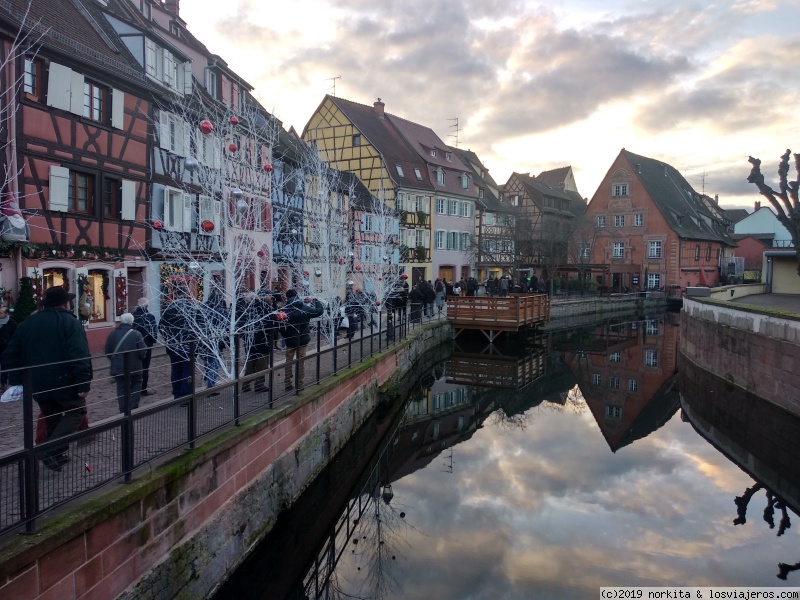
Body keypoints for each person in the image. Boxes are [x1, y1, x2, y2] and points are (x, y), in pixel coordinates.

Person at [2, 286, 93, 471]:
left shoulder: (27, 323)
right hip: (65, 379)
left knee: (52, 417)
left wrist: (19, 378)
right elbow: (79, 353)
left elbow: (10, 355)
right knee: (75, 412)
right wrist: (84, 381)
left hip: (38, 382)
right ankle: (49, 450)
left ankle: (57, 456)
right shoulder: (69, 322)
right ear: (65, 303)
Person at [280, 289, 323, 392]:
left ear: (287, 297)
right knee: (300, 361)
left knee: (289, 361)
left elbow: (280, 326)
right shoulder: (304, 308)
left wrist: (285, 335)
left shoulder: (285, 310)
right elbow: (319, 311)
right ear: (297, 296)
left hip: (290, 340)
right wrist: (315, 300)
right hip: (303, 339)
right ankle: (299, 383)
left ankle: (287, 383)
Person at [105, 312, 147, 412]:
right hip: (135, 366)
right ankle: (133, 406)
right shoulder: (136, 334)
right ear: (131, 322)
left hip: (118, 367)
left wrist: (115, 359)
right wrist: (140, 358)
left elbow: (108, 351)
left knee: (121, 387)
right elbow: (142, 351)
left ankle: (123, 409)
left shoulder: (113, 333)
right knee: (137, 383)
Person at [158, 289, 195, 400]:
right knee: (187, 370)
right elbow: (196, 327)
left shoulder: (168, 309)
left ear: (175, 296)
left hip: (173, 345)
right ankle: (186, 394)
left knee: (176, 370)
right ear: (185, 295)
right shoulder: (191, 308)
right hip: (187, 345)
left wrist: (168, 338)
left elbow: (161, 327)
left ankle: (177, 394)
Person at [132, 297, 157, 395]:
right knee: (145, 367)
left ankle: (134, 388)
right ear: (147, 305)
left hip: (133, 345)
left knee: (134, 366)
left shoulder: (132, 316)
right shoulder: (150, 317)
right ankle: (143, 389)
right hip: (146, 345)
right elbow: (153, 332)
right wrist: (152, 341)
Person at [0, 304, 17, 391]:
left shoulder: (12, 323)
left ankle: (3, 383)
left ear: (6, 313)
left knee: (4, 366)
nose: (0, 314)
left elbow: (14, 336)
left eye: (1, 313)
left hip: (5, 348)